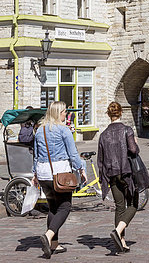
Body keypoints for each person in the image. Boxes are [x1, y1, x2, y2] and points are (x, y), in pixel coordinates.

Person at [32, 101, 87, 258]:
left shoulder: (40, 130)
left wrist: (34, 174)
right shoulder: (64, 130)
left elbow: (35, 155)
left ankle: (54, 244)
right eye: (64, 112)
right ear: (58, 113)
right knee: (65, 206)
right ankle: (48, 235)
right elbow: (73, 153)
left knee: (53, 208)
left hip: (43, 174)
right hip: (59, 173)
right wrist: (81, 169)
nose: (66, 114)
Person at [97, 101, 139, 253]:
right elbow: (133, 150)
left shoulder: (103, 135)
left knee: (119, 207)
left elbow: (100, 160)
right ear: (121, 113)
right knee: (134, 204)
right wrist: (135, 143)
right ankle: (118, 230)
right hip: (126, 172)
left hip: (112, 173)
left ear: (109, 115)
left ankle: (121, 241)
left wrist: (104, 178)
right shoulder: (127, 130)